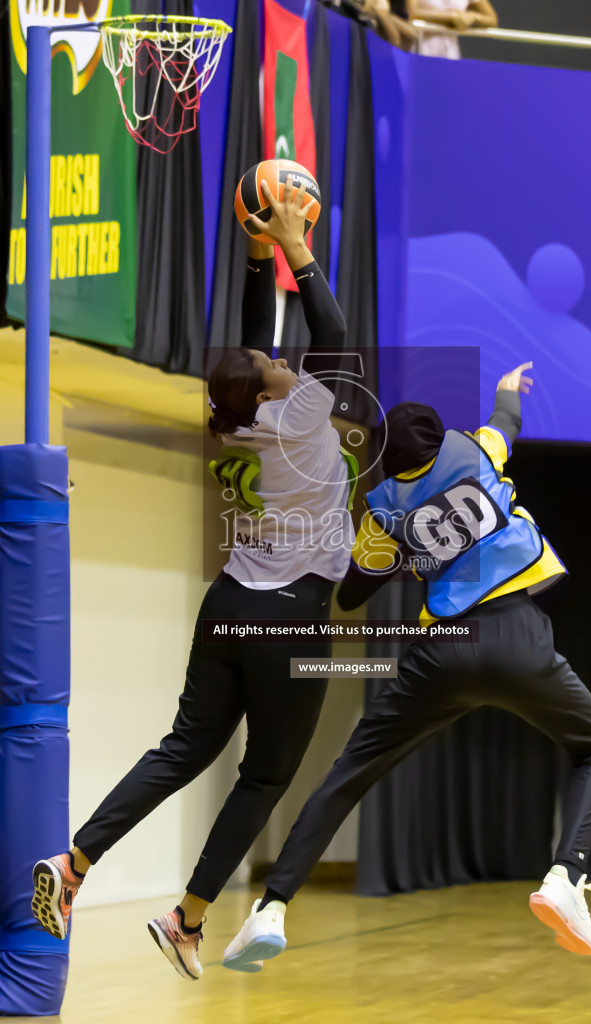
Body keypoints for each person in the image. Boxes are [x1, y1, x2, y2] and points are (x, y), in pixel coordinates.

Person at [30, 177, 356, 981]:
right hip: (287, 619)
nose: (276, 355)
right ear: (267, 385)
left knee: (182, 749)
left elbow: (251, 347)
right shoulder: (304, 415)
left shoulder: (245, 418)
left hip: (229, 607)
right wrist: (292, 245)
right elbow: (335, 336)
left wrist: (252, 257)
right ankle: (185, 917)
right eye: (268, 360)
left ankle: (74, 865)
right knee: (267, 773)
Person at [222, 362, 591, 971]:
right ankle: (566, 875)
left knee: (347, 775)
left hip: (441, 656)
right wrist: (508, 387)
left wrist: (384, 548)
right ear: (439, 437)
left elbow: (352, 595)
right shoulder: (477, 451)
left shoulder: (385, 509)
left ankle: (270, 909)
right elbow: (506, 419)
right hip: (516, 636)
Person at [398, 0, 498, 59]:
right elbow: (411, 13)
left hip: (450, 52)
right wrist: (450, 17)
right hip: (417, 48)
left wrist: (473, 17)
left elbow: (491, 19)